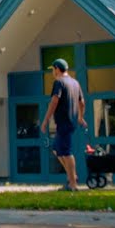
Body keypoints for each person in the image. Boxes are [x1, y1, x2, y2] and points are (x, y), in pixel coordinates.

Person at [40, 58, 87, 191]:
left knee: (66, 152)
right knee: (56, 149)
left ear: (57, 69)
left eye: (53, 70)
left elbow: (54, 101)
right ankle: (72, 176)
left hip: (64, 121)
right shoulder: (75, 83)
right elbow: (82, 102)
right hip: (70, 121)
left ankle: (73, 184)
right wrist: (80, 117)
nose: (53, 72)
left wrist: (46, 120)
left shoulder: (59, 82)